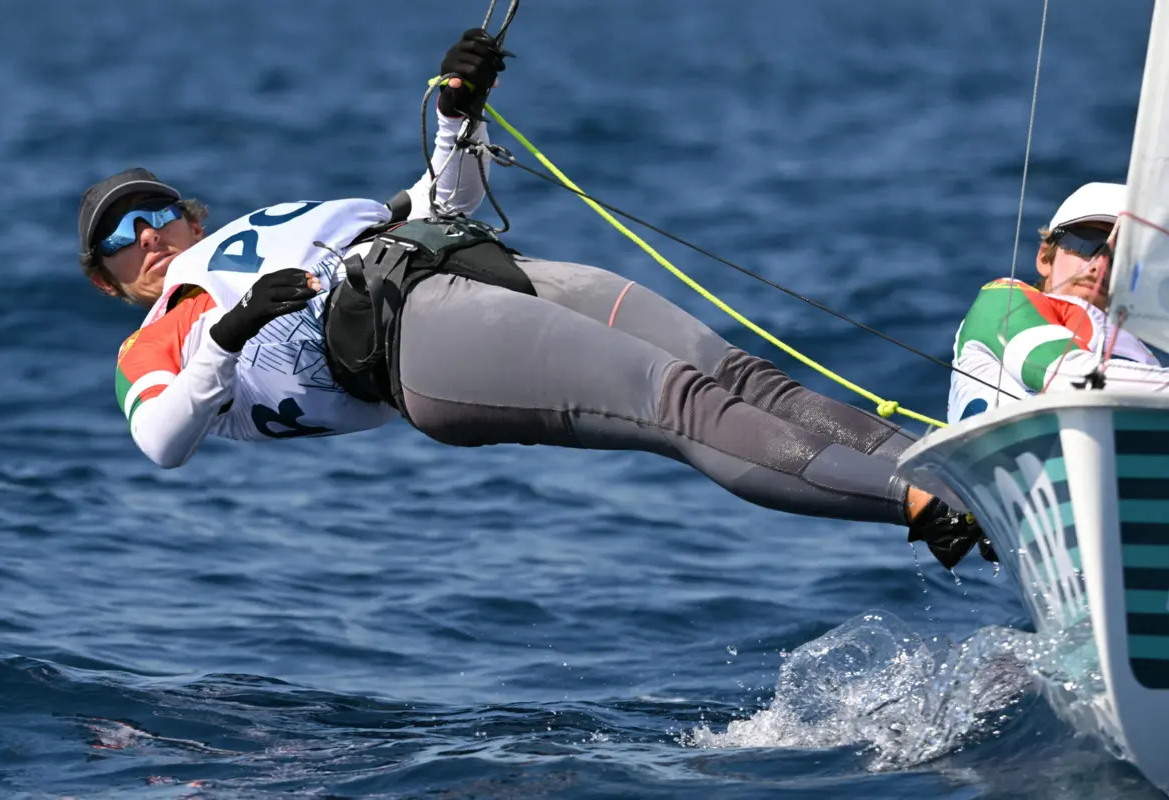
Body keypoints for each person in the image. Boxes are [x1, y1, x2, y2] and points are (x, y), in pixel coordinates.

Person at [79, 29, 989, 569]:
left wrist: (457, 112)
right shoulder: (153, 343)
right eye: (121, 239)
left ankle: (970, 477)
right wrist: (231, 331)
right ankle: (919, 504)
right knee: (679, 402)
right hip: (414, 346)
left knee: (743, 376)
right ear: (108, 280)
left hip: (467, 265)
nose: (146, 237)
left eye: (155, 213)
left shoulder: (267, 221)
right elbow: (161, 443)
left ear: (189, 213)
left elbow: (443, 200)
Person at [949, 181, 1164, 423]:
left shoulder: (1147, 359)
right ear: (1044, 258)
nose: (1099, 265)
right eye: (1085, 244)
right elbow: (1069, 377)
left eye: (1122, 258)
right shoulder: (1002, 300)